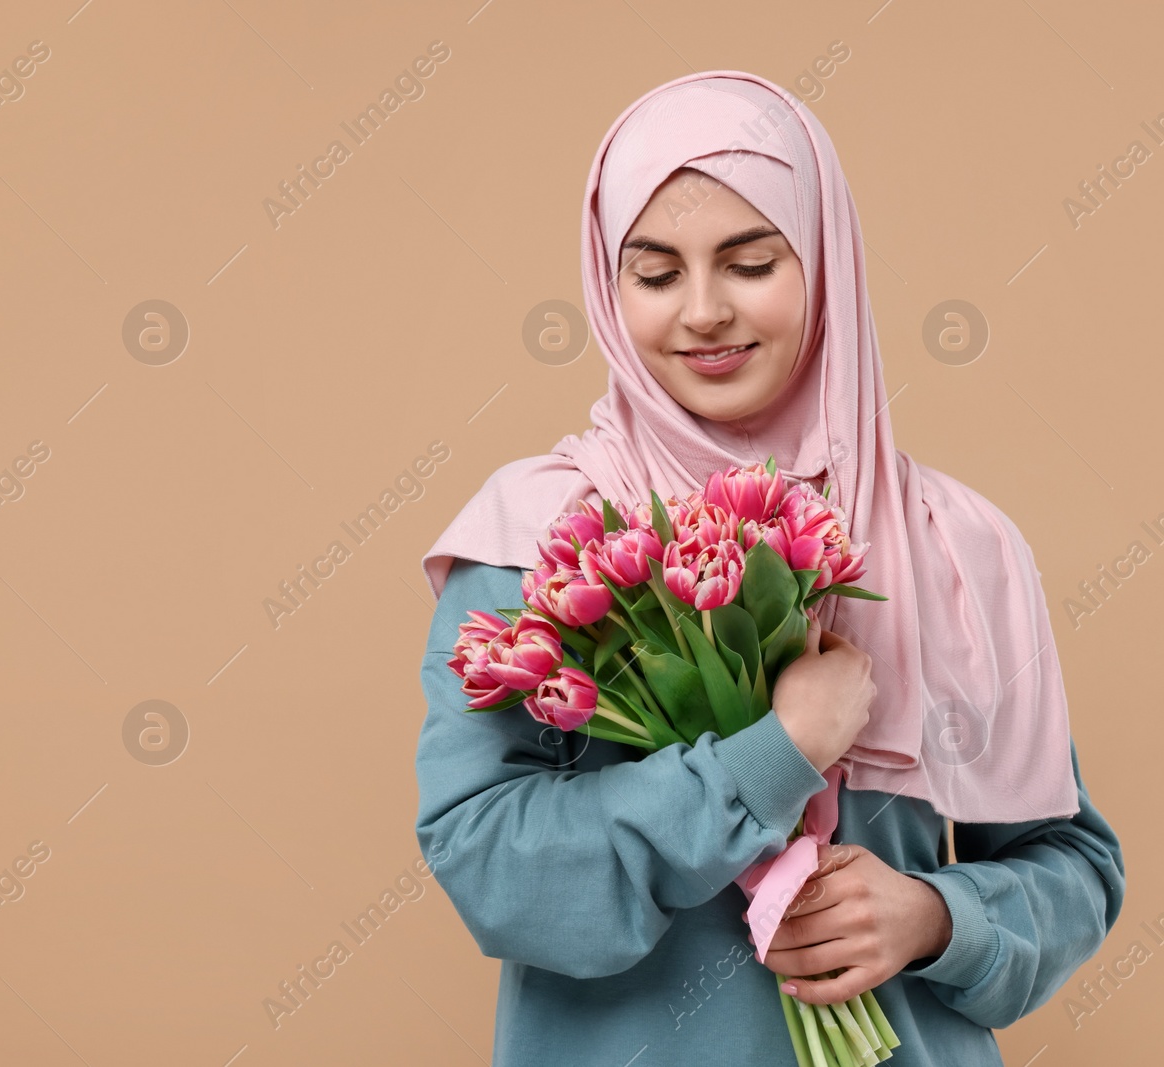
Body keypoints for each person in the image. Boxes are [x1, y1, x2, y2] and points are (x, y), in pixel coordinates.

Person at [414, 70, 1125, 1066]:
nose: (702, 311)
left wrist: (934, 915)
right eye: (655, 275)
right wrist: (773, 751)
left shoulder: (954, 548)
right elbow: (488, 860)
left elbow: (1071, 866)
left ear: (827, 265)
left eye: (749, 263)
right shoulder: (544, 538)